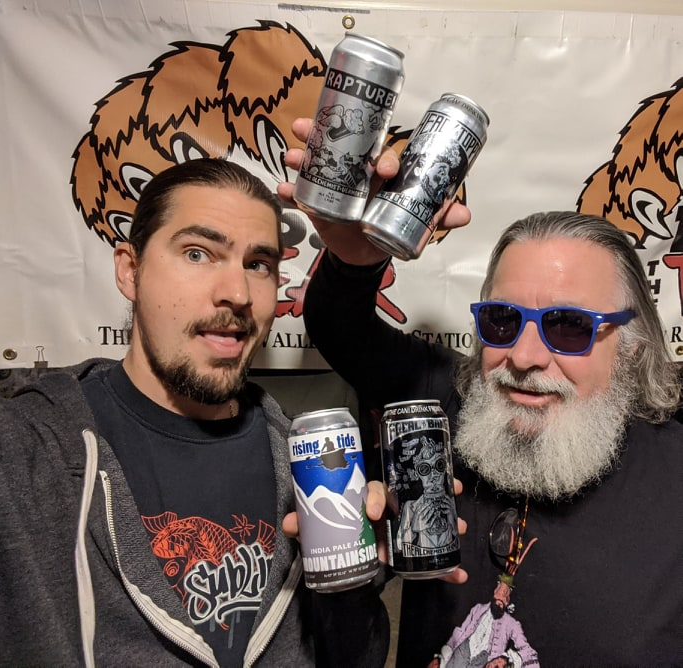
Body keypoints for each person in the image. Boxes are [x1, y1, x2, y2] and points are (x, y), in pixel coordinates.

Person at [278, 123, 683, 666]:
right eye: (502, 320)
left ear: (631, 348)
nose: (524, 356)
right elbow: (340, 327)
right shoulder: (453, 406)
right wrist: (357, 256)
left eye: (568, 327)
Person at [0, 158, 390, 667]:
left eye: (259, 264)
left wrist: (353, 590)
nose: (238, 293)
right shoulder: (29, 447)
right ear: (130, 270)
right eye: (198, 253)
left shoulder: (302, 463)